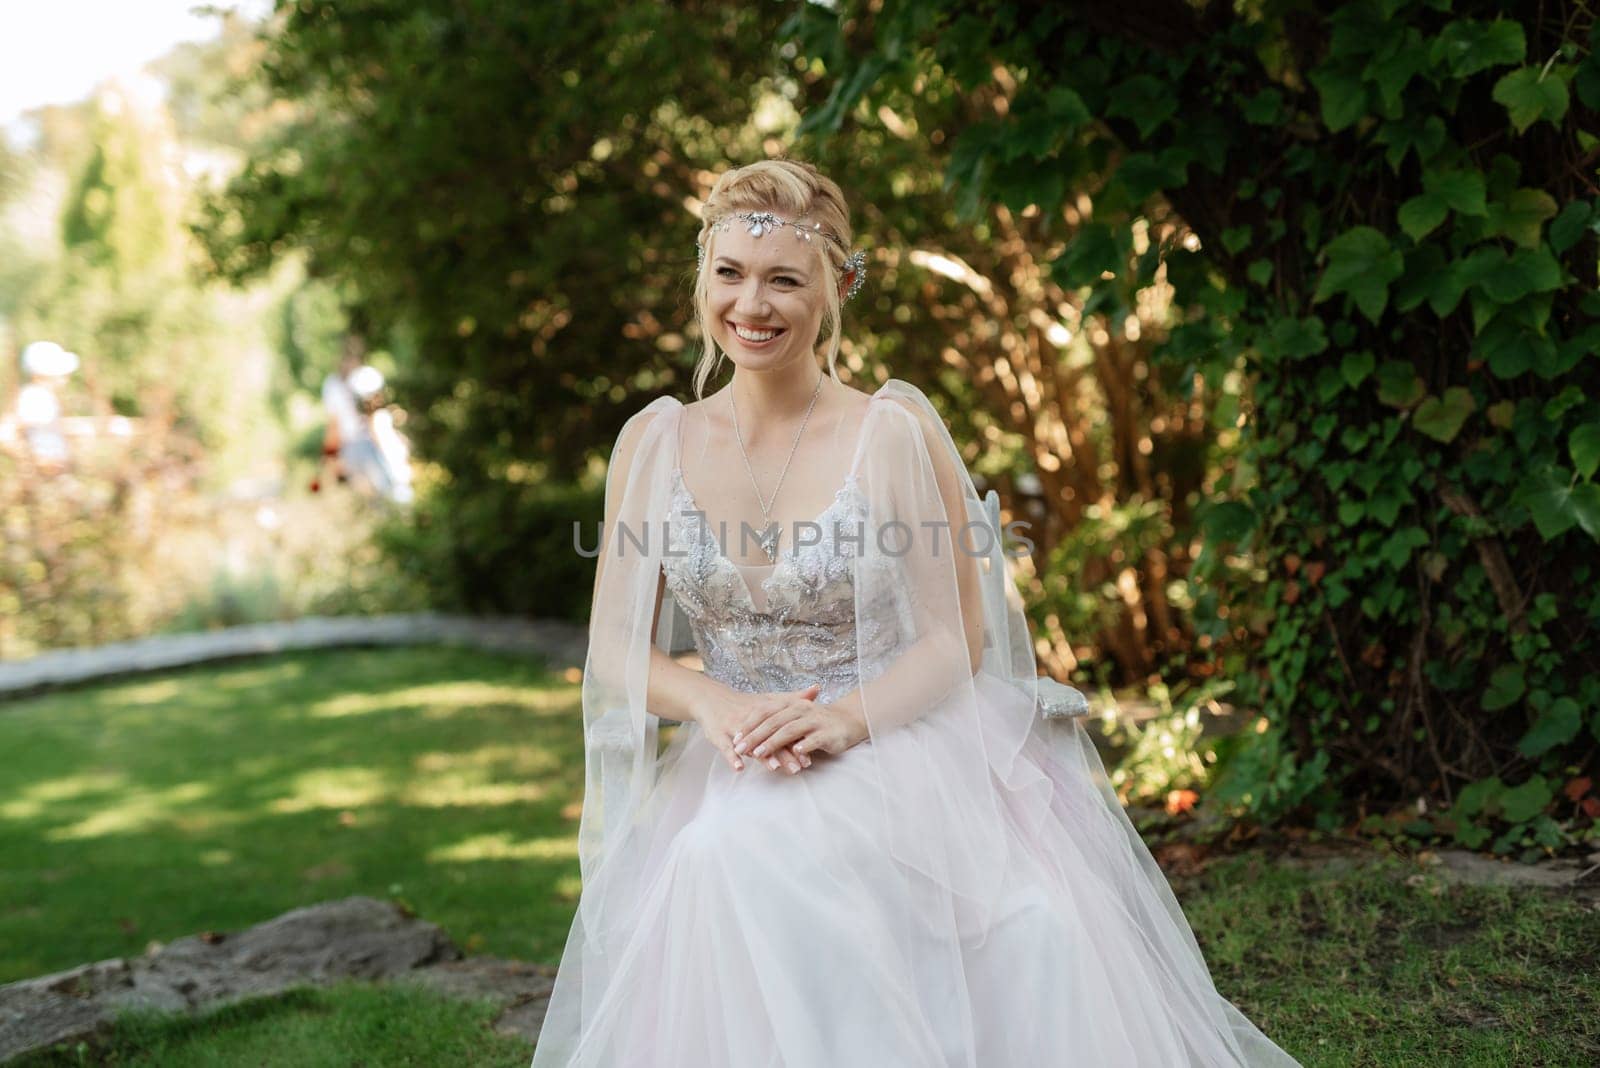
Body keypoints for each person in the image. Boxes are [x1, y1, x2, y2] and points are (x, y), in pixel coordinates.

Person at [531, 159, 1302, 1067]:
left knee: (1026, 925)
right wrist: (716, 705)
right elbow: (616, 652)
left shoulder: (889, 433)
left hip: (891, 737)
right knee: (719, 862)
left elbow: (953, 639)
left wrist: (842, 719)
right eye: (731, 274)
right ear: (703, 280)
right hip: (739, 752)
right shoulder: (655, 444)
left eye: (785, 279)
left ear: (834, 290)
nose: (753, 305)